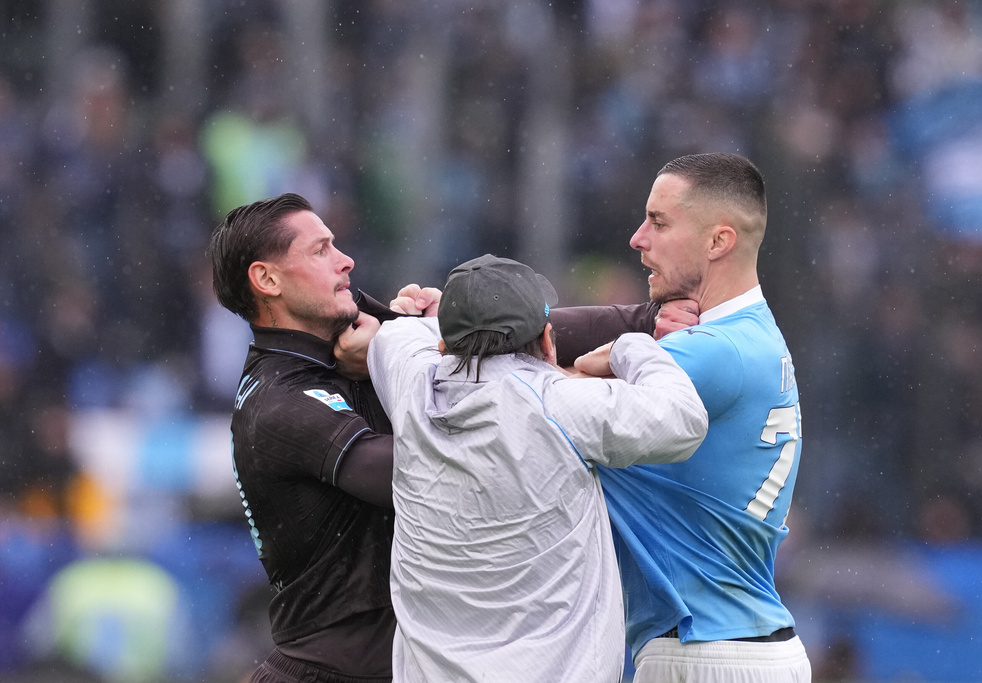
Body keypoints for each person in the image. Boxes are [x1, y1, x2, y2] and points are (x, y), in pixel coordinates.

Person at [365, 254, 708, 683]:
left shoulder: (409, 381)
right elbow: (686, 419)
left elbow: (399, 332)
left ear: (443, 346)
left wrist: (445, 317)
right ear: (548, 343)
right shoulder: (561, 403)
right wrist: (630, 345)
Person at [576, 153, 813, 682]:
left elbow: (534, 406)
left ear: (718, 242)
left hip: (704, 652)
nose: (638, 238)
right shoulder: (750, 337)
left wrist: (456, 336)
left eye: (659, 222)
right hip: (743, 647)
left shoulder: (711, 354)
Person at [208, 193, 418, 683]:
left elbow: (509, 340)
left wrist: (423, 327)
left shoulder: (343, 331)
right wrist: (408, 350)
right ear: (267, 280)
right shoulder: (277, 402)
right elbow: (411, 476)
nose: (346, 261)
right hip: (326, 672)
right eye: (321, 250)